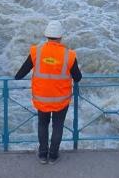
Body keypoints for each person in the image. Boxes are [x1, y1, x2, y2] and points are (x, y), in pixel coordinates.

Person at [15, 21, 82, 165]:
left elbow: (20, 74)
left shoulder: (36, 51)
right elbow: (78, 77)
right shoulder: (69, 55)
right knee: (58, 126)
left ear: (46, 36)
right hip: (60, 100)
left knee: (42, 125)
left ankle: (42, 155)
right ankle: (53, 156)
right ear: (60, 37)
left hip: (41, 98)